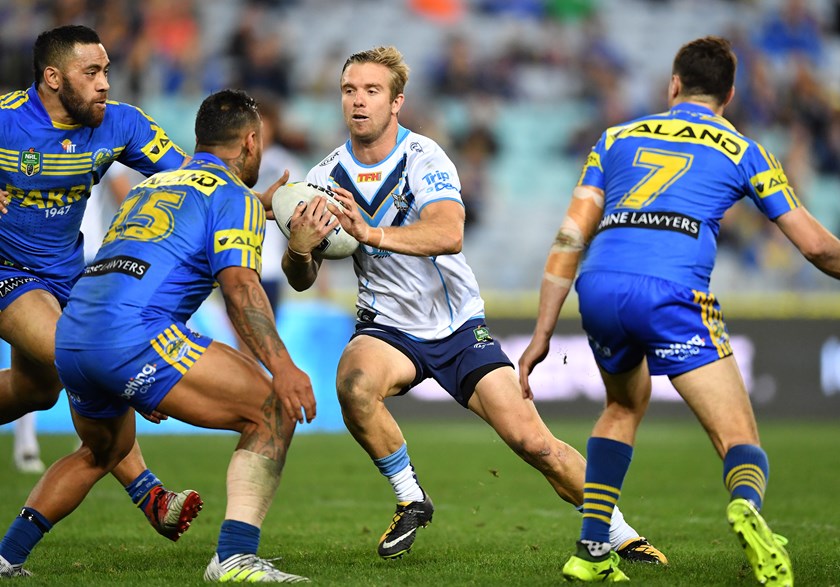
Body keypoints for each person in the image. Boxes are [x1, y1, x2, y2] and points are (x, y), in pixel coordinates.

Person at [281, 45, 666, 565]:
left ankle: (621, 534)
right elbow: (301, 278)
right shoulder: (323, 178)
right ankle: (411, 498)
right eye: (350, 90)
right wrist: (299, 249)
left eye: (372, 90)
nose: (358, 101)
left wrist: (370, 232)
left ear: (396, 102)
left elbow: (449, 233)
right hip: (387, 328)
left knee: (535, 444)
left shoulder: (424, 157)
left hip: (458, 328)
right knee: (353, 386)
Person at [519, 36, 840, 584]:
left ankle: (591, 551)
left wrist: (542, 332)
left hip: (599, 285)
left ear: (674, 85)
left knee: (623, 405)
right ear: (729, 95)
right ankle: (747, 508)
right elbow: (816, 248)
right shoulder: (745, 150)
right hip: (671, 292)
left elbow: (570, 236)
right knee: (739, 440)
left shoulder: (615, 137)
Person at [0, 88, 316, 582]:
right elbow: (240, 289)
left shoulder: (152, 186)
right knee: (271, 409)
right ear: (252, 143)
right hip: (132, 334)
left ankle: (7, 555)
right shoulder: (234, 197)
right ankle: (235, 557)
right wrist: (284, 367)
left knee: (103, 451)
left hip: (74, 333)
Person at [0, 25, 202, 541]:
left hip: (68, 274)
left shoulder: (120, 123)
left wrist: (262, 205)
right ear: (52, 78)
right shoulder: (6, 120)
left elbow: (193, 180)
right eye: (91, 72)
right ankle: (151, 494)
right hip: (7, 271)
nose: (105, 83)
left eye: (106, 71)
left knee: (34, 390)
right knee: (78, 354)